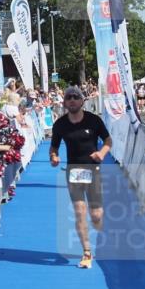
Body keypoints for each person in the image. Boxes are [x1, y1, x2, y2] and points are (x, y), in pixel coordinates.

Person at [49, 85, 111, 269]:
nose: (72, 100)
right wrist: (53, 157)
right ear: (64, 102)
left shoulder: (94, 120)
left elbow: (108, 140)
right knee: (79, 211)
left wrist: (102, 153)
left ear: (82, 101)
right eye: (69, 97)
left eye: (76, 97)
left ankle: (99, 235)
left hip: (93, 169)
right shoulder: (60, 124)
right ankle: (87, 252)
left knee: (96, 215)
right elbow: (54, 147)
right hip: (73, 171)